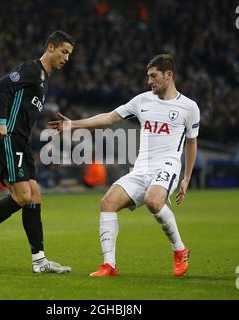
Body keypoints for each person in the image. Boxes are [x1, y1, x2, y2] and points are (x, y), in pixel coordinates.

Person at [48, 53, 200, 277]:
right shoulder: (142, 101)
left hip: (167, 167)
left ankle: (179, 249)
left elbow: (191, 143)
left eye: (153, 76)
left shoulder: (189, 107)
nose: (149, 81)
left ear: (169, 76)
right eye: (148, 76)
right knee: (107, 202)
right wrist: (73, 124)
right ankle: (109, 265)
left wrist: (186, 178)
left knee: (152, 200)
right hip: (141, 169)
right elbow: (109, 118)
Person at [0, 30, 75, 274]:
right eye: (64, 52)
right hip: (8, 136)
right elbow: (0, 87)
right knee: (23, 196)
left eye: (69, 54)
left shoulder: (45, 80)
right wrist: (1, 121)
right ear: (50, 47)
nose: (67, 58)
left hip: (21, 141)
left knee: (34, 195)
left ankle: (40, 261)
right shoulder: (32, 69)